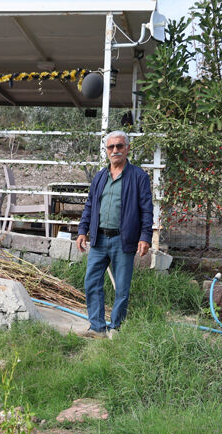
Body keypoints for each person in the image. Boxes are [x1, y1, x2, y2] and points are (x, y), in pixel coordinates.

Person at [76, 130, 153, 337]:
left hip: (123, 239)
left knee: (122, 287)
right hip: (99, 239)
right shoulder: (100, 176)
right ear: (107, 151)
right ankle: (97, 327)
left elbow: (147, 209)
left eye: (120, 146)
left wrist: (145, 236)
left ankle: (115, 327)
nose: (115, 150)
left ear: (127, 149)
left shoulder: (138, 177)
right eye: (111, 147)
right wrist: (83, 230)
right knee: (91, 282)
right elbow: (90, 205)